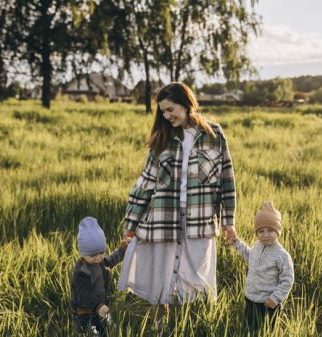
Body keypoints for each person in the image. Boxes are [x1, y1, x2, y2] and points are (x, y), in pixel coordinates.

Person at [117, 82, 237, 313]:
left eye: (170, 109)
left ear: (186, 104)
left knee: (195, 276)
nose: (166, 115)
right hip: (163, 217)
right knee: (160, 274)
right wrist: (130, 225)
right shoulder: (162, 139)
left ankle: (191, 321)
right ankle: (161, 322)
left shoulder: (214, 135)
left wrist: (228, 221)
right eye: (163, 111)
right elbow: (145, 184)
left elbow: (227, 181)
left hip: (200, 219)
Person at [228, 201, 294, 334]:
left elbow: (287, 279)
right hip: (251, 298)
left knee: (267, 331)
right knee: (249, 329)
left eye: (270, 230)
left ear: (278, 231)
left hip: (268, 303)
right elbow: (249, 255)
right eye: (261, 231)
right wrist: (236, 242)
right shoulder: (258, 246)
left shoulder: (282, 255)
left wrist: (275, 298)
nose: (265, 235)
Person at [71, 217, 129, 336]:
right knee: (89, 332)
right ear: (83, 254)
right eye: (93, 255)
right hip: (85, 311)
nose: (98, 258)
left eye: (101, 252)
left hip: (100, 307)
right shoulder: (81, 271)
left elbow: (112, 259)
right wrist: (98, 306)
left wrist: (123, 249)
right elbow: (84, 294)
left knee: (103, 330)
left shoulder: (101, 261)